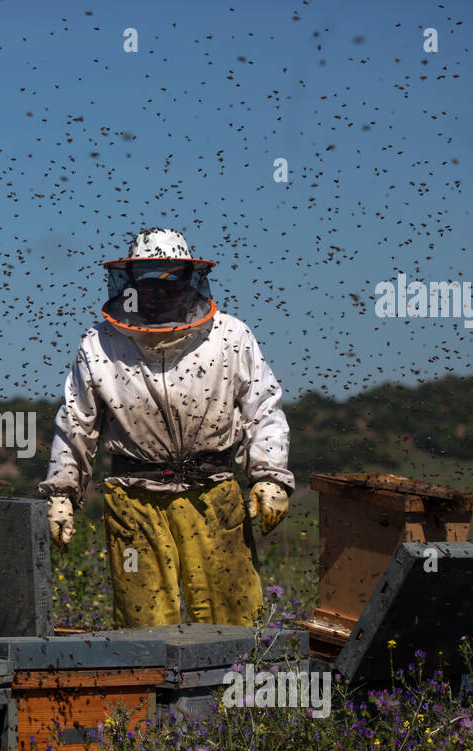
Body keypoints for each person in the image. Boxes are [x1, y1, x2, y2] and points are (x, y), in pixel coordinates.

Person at [38, 228, 293, 628]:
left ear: (188, 279)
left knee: (236, 621)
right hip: (134, 501)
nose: (159, 290)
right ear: (131, 283)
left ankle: (238, 692)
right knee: (146, 628)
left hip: (212, 495)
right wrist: (61, 494)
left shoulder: (230, 335)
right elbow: (76, 424)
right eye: (148, 280)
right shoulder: (100, 345)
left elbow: (262, 408)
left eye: (169, 277)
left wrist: (270, 476)